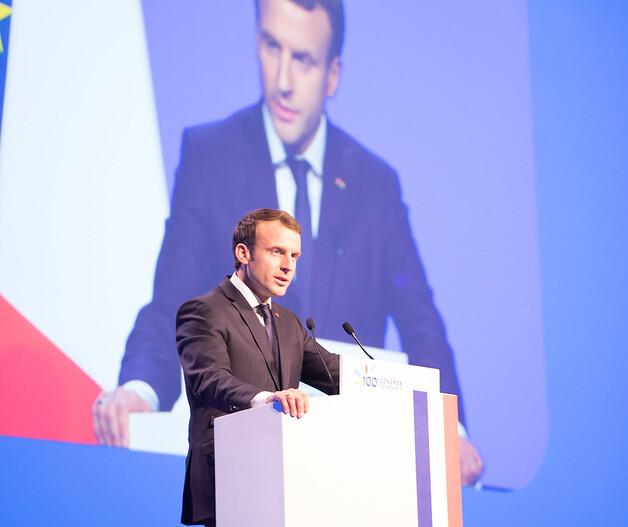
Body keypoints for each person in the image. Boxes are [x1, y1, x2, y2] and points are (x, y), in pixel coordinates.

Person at [92, 0, 484, 485]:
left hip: (352, 462)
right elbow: (172, 302)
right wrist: (140, 391)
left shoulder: (374, 183)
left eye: (303, 59)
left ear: (333, 74)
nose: (282, 80)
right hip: (243, 456)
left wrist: (453, 429)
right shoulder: (210, 156)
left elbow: (420, 323)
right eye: (271, 46)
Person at [178, 208, 339, 527]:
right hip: (231, 471)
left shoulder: (289, 322)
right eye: (277, 251)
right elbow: (208, 378)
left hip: (286, 472)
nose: (288, 265)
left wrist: (394, 384)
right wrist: (267, 398)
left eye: (295, 255)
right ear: (243, 252)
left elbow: (332, 373)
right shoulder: (205, 310)